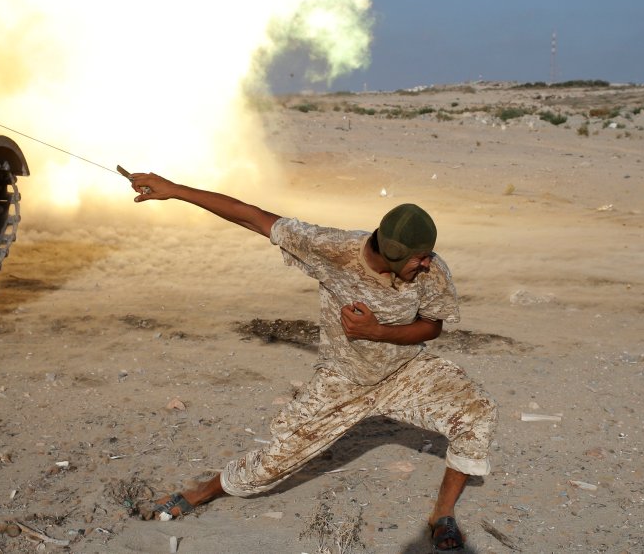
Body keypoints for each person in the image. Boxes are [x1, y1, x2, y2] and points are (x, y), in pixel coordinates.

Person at [126, 172, 496, 552]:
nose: (426, 264)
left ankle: (442, 514)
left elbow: (431, 326)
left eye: (428, 255)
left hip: (405, 372)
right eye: (419, 258)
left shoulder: (432, 271)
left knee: (477, 412)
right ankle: (202, 491)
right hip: (343, 381)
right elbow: (252, 216)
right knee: (269, 467)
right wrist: (175, 191)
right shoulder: (332, 249)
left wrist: (377, 332)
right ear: (392, 254)